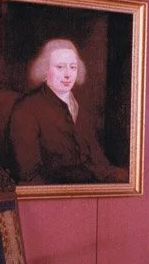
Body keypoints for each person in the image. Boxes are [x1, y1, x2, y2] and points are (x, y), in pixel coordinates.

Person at [8, 38, 126, 184]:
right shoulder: (26, 109)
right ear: (45, 70)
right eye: (60, 67)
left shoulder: (81, 110)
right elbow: (29, 174)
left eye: (72, 67)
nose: (68, 74)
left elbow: (99, 162)